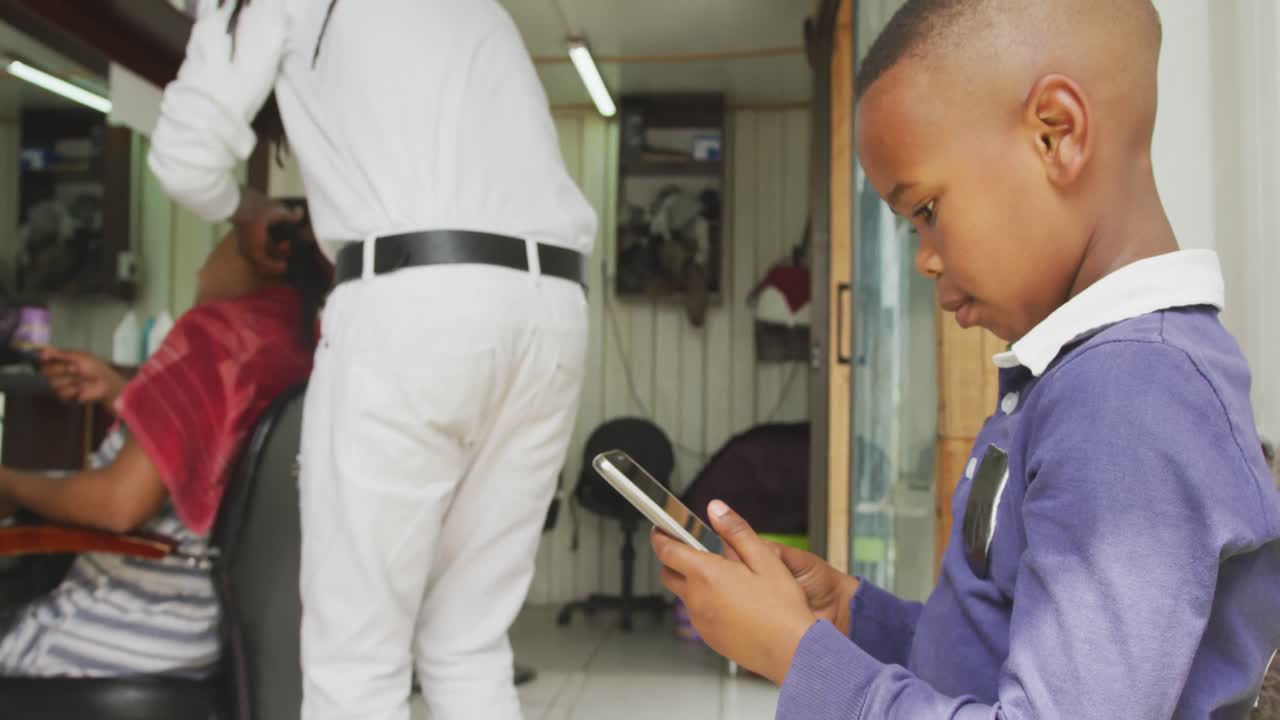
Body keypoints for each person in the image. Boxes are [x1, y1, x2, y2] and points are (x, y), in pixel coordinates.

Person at [650, 1, 1280, 717]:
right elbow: (1004, 654)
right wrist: (852, 617)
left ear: (1057, 135)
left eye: (927, 210)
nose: (923, 258)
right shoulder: (1079, 381)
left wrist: (796, 656)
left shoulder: (1130, 402)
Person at [146, 2, 595, 718]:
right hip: (551, 310)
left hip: (415, 303)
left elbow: (184, 159)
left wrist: (245, 207)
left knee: (354, 658)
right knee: (469, 640)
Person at [0, 212, 329, 677]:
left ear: (268, 256)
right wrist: (124, 395)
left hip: (116, 628)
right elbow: (224, 458)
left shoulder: (214, 338)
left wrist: (12, 485)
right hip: (208, 636)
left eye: (222, 243)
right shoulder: (303, 344)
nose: (201, 269)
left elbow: (120, 505)